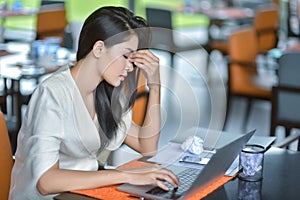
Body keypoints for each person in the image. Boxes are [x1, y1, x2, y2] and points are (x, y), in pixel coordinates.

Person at [9, 6, 179, 200]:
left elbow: (147, 147)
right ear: (98, 48)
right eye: (125, 56)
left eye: (133, 59)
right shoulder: (53, 93)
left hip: (84, 194)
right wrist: (125, 175)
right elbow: (46, 182)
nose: (130, 67)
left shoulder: (108, 92)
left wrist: (155, 86)